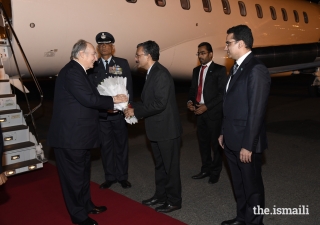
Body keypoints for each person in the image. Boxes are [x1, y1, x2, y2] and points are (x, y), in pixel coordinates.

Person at [47, 39, 128, 225]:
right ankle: (78, 216)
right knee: (73, 179)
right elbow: (88, 99)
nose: (96, 58)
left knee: (83, 174)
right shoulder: (72, 72)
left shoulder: (80, 72)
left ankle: (87, 205)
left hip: (79, 137)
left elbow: (88, 101)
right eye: (92, 54)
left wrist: (107, 108)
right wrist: (113, 100)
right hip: (70, 137)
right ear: (81, 54)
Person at [218, 25, 271, 225]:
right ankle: (242, 218)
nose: (226, 48)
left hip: (246, 143)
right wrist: (223, 132)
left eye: (228, 43)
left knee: (252, 187)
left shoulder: (256, 69)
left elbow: (257, 112)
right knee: (239, 185)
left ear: (240, 43)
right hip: (231, 140)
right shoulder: (236, 68)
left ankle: (255, 222)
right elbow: (229, 105)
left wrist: (248, 145)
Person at [124, 40, 182, 213]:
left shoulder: (161, 74)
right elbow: (149, 101)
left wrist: (135, 112)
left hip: (167, 130)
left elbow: (159, 104)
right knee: (160, 165)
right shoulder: (151, 73)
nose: (135, 58)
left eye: (138, 55)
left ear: (148, 56)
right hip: (157, 129)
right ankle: (160, 195)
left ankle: (174, 200)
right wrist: (132, 106)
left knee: (170, 167)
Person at [88, 32, 133, 189]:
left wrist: (129, 107)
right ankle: (110, 177)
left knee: (121, 146)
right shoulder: (93, 65)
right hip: (103, 116)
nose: (103, 46)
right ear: (98, 47)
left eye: (107, 44)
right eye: (100, 44)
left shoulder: (122, 63)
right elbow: (91, 91)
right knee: (106, 147)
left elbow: (129, 88)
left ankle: (122, 176)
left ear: (112, 47)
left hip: (120, 114)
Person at [187, 42, 227, 184]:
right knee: (203, 143)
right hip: (199, 113)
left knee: (216, 145)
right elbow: (193, 90)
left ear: (211, 54)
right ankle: (205, 169)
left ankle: (215, 171)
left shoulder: (219, 70)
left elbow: (222, 94)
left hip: (213, 114)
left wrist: (207, 106)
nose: (200, 56)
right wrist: (190, 102)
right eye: (198, 53)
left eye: (203, 53)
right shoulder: (196, 71)